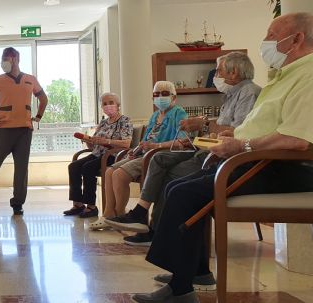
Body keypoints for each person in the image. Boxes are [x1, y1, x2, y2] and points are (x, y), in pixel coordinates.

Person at [133, 13, 313, 303]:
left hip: (278, 166)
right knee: (176, 188)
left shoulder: (309, 75)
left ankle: (181, 288)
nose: (265, 41)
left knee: (183, 192)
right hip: (253, 161)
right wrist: (234, 140)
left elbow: (296, 139)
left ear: (296, 39)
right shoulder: (284, 76)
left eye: (271, 34)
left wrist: (241, 145)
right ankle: (194, 271)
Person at [105, 51, 261, 247]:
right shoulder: (230, 95)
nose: (215, 76)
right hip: (207, 149)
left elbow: (236, 132)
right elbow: (219, 130)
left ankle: (155, 230)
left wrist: (203, 124)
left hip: (221, 157)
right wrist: (205, 128)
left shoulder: (248, 92)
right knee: (158, 160)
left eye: (218, 71)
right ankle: (140, 214)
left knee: (167, 173)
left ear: (234, 72)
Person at [91, 81, 187, 230]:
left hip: (158, 156)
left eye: (165, 94)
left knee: (119, 175)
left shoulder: (178, 113)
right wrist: (135, 150)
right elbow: (146, 140)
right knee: (110, 171)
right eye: (156, 94)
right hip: (143, 153)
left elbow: (182, 140)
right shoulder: (155, 116)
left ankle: (121, 215)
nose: (160, 97)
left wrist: (156, 146)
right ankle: (109, 214)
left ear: (174, 97)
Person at [0, 47, 48, 215]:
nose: (5, 61)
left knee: (21, 168)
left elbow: (43, 99)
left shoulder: (30, 79)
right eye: (3, 58)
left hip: (24, 131)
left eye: (8, 57)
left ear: (16, 59)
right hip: (4, 130)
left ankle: (17, 203)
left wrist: (38, 117)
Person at [63, 92, 133, 219]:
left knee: (88, 168)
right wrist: (89, 141)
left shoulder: (125, 121)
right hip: (97, 153)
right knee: (73, 166)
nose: (108, 106)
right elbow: (94, 144)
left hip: (113, 155)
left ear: (118, 105)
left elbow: (127, 144)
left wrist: (107, 141)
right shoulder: (103, 123)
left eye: (111, 102)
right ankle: (78, 204)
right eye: (105, 104)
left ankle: (91, 207)